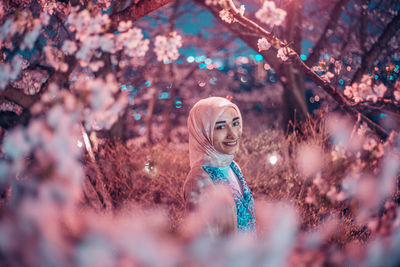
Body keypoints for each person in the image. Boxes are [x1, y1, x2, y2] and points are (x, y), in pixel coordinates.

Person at [183, 96, 256, 236]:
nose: (233, 134)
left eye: (235, 123)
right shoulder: (198, 180)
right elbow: (201, 245)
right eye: (221, 127)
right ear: (203, 131)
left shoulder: (233, 167)